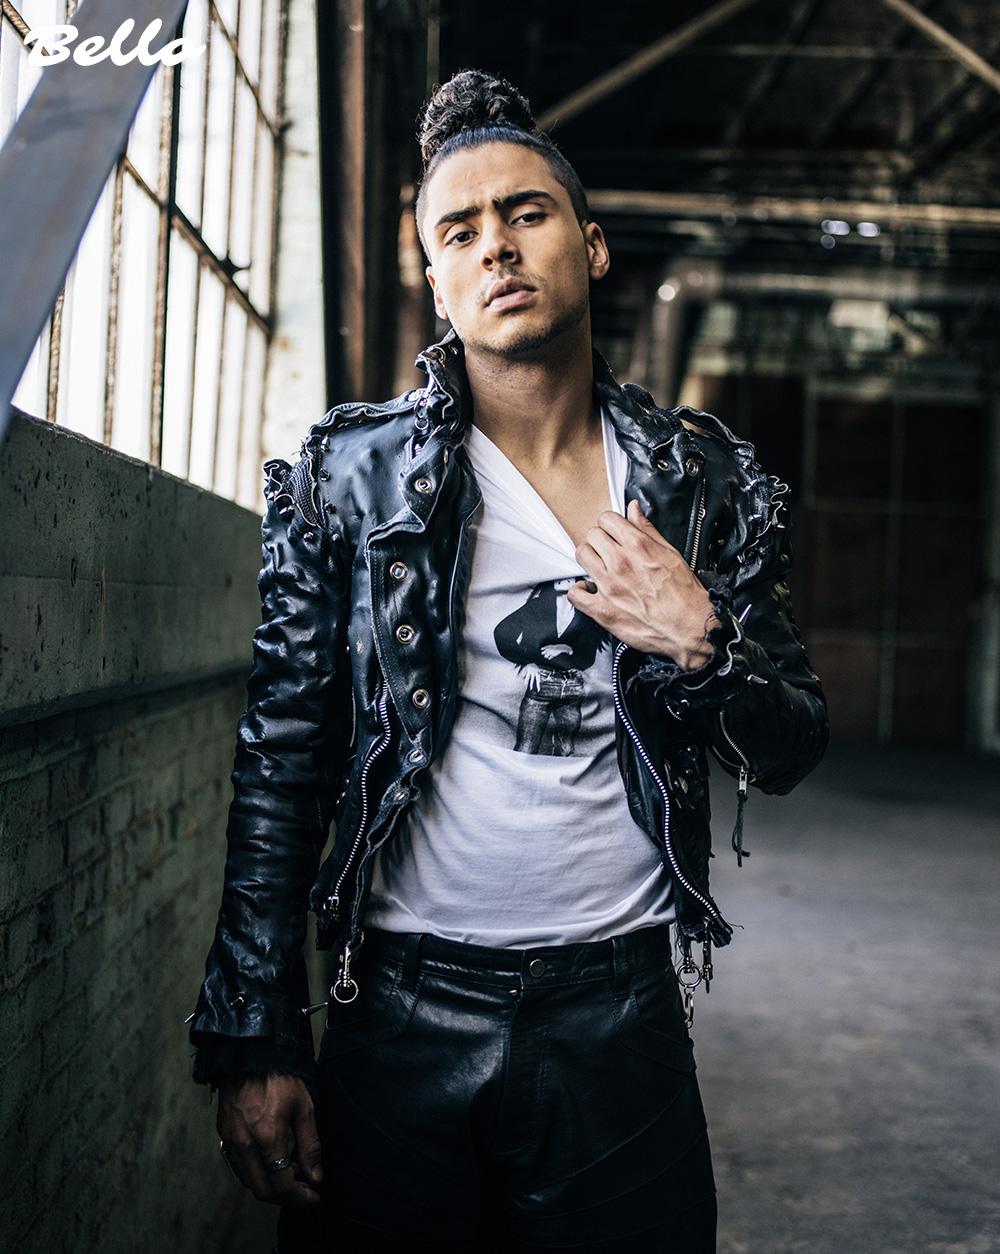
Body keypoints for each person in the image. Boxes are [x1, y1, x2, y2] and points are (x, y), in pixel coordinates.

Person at [191, 69, 828, 1252]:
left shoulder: (700, 484)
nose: (496, 245)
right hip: (396, 1009)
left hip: (620, 1015)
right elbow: (282, 761)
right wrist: (255, 1038)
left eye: (526, 214)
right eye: (460, 231)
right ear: (436, 282)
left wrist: (702, 643)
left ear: (590, 245)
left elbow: (790, 745)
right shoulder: (351, 476)